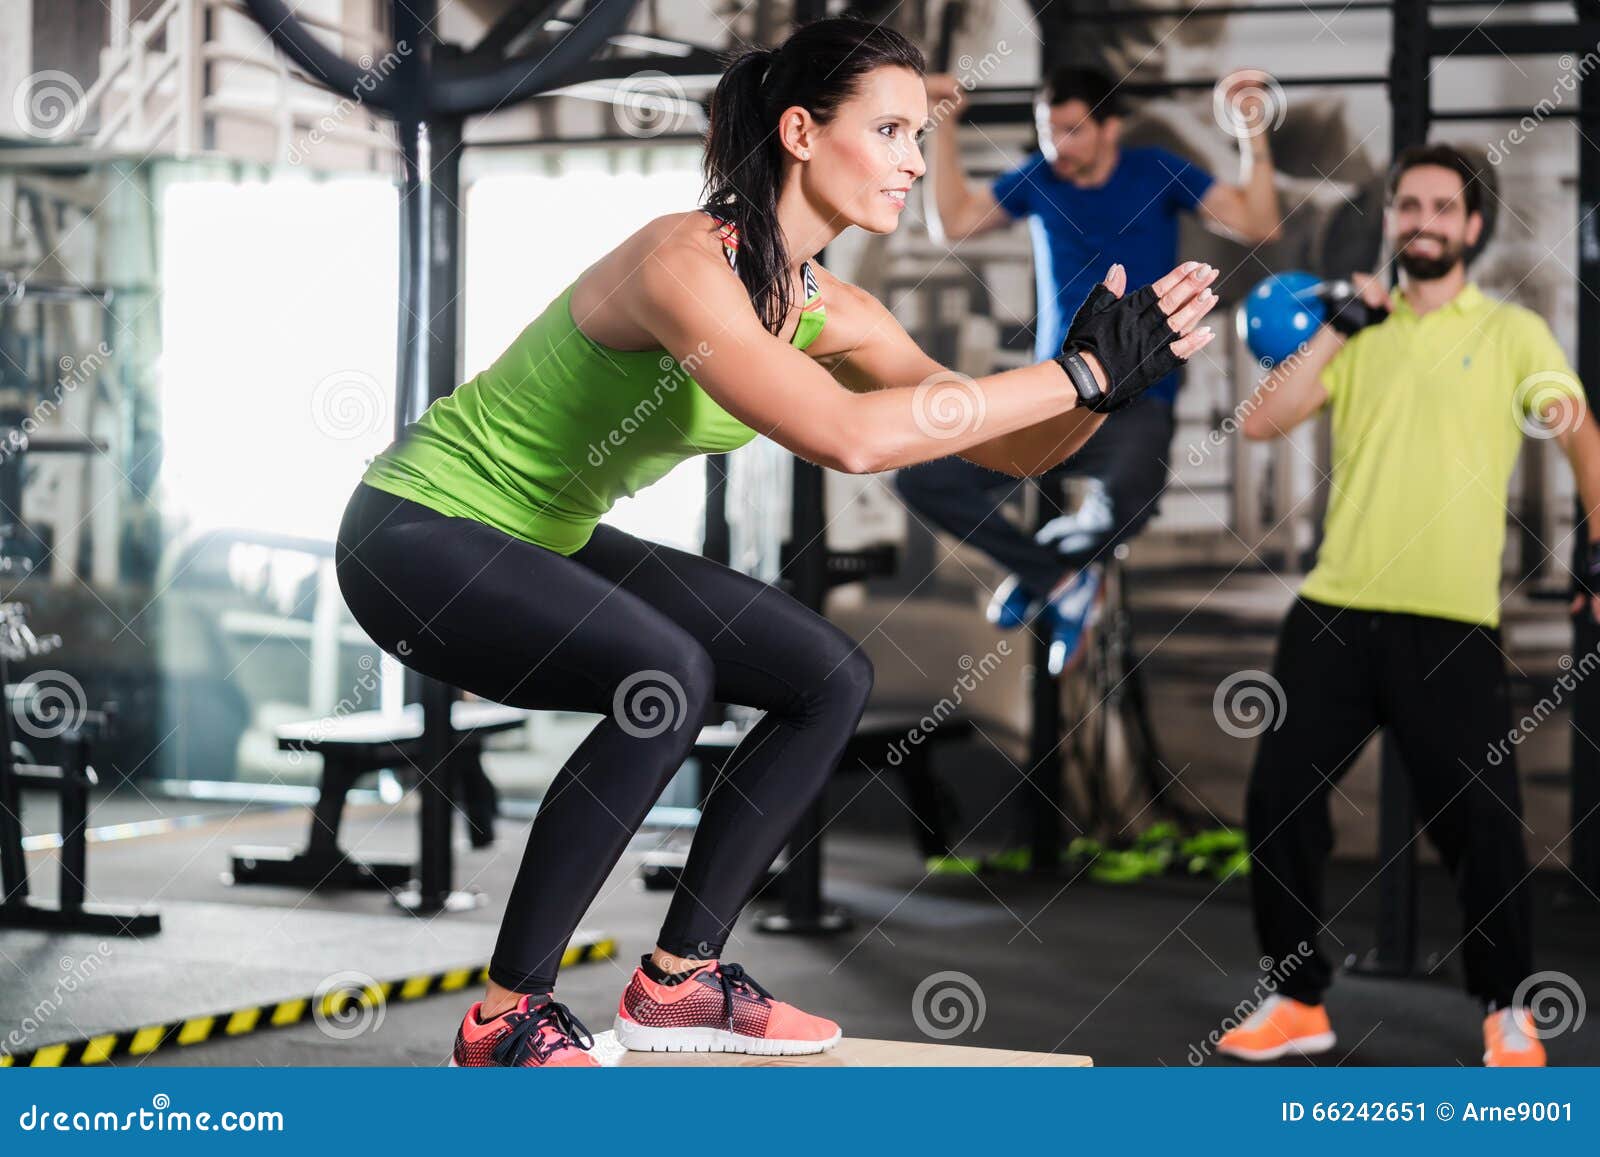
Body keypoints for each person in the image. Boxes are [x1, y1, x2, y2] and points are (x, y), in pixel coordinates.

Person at [334, 16, 1220, 1069]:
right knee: (665, 669)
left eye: (916, 137)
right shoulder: (682, 263)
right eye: (890, 130)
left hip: (543, 537)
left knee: (825, 673)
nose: (911, 159)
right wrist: (1068, 381)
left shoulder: (829, 307)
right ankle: (505, 1014)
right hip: (416, 532)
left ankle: (679, 981)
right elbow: (847, 436)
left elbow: (1013, 448)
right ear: (800, 131)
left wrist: (1102, 382)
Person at [1216, 143, 1600, 1067]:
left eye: (1440, 207)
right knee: (1278, 802)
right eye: (1408, 206)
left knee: (1482, 826)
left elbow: (1579, 428)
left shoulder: (1512, 334)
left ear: (1472, 227)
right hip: (1336, 609)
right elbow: (1262, 418)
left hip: (1450, 621)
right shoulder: (1356, 327)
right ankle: (1299, 1000)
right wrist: (1342, 325)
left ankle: (1509, 1009)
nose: (1421, 220)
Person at [898, 66, 1281, 673]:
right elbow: (954, 223)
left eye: (1074, 131)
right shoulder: (1041, 178)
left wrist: (1250, 133)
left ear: (1111, 127)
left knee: (1126, 507)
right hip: (1052, 394)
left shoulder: (1156, 171)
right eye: (1050, 132)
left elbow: (1257, 222)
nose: (1060, 147)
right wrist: (942, 124)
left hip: (1136, 400)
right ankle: (1055, 579)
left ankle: (1051, 569)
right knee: (924, 478)